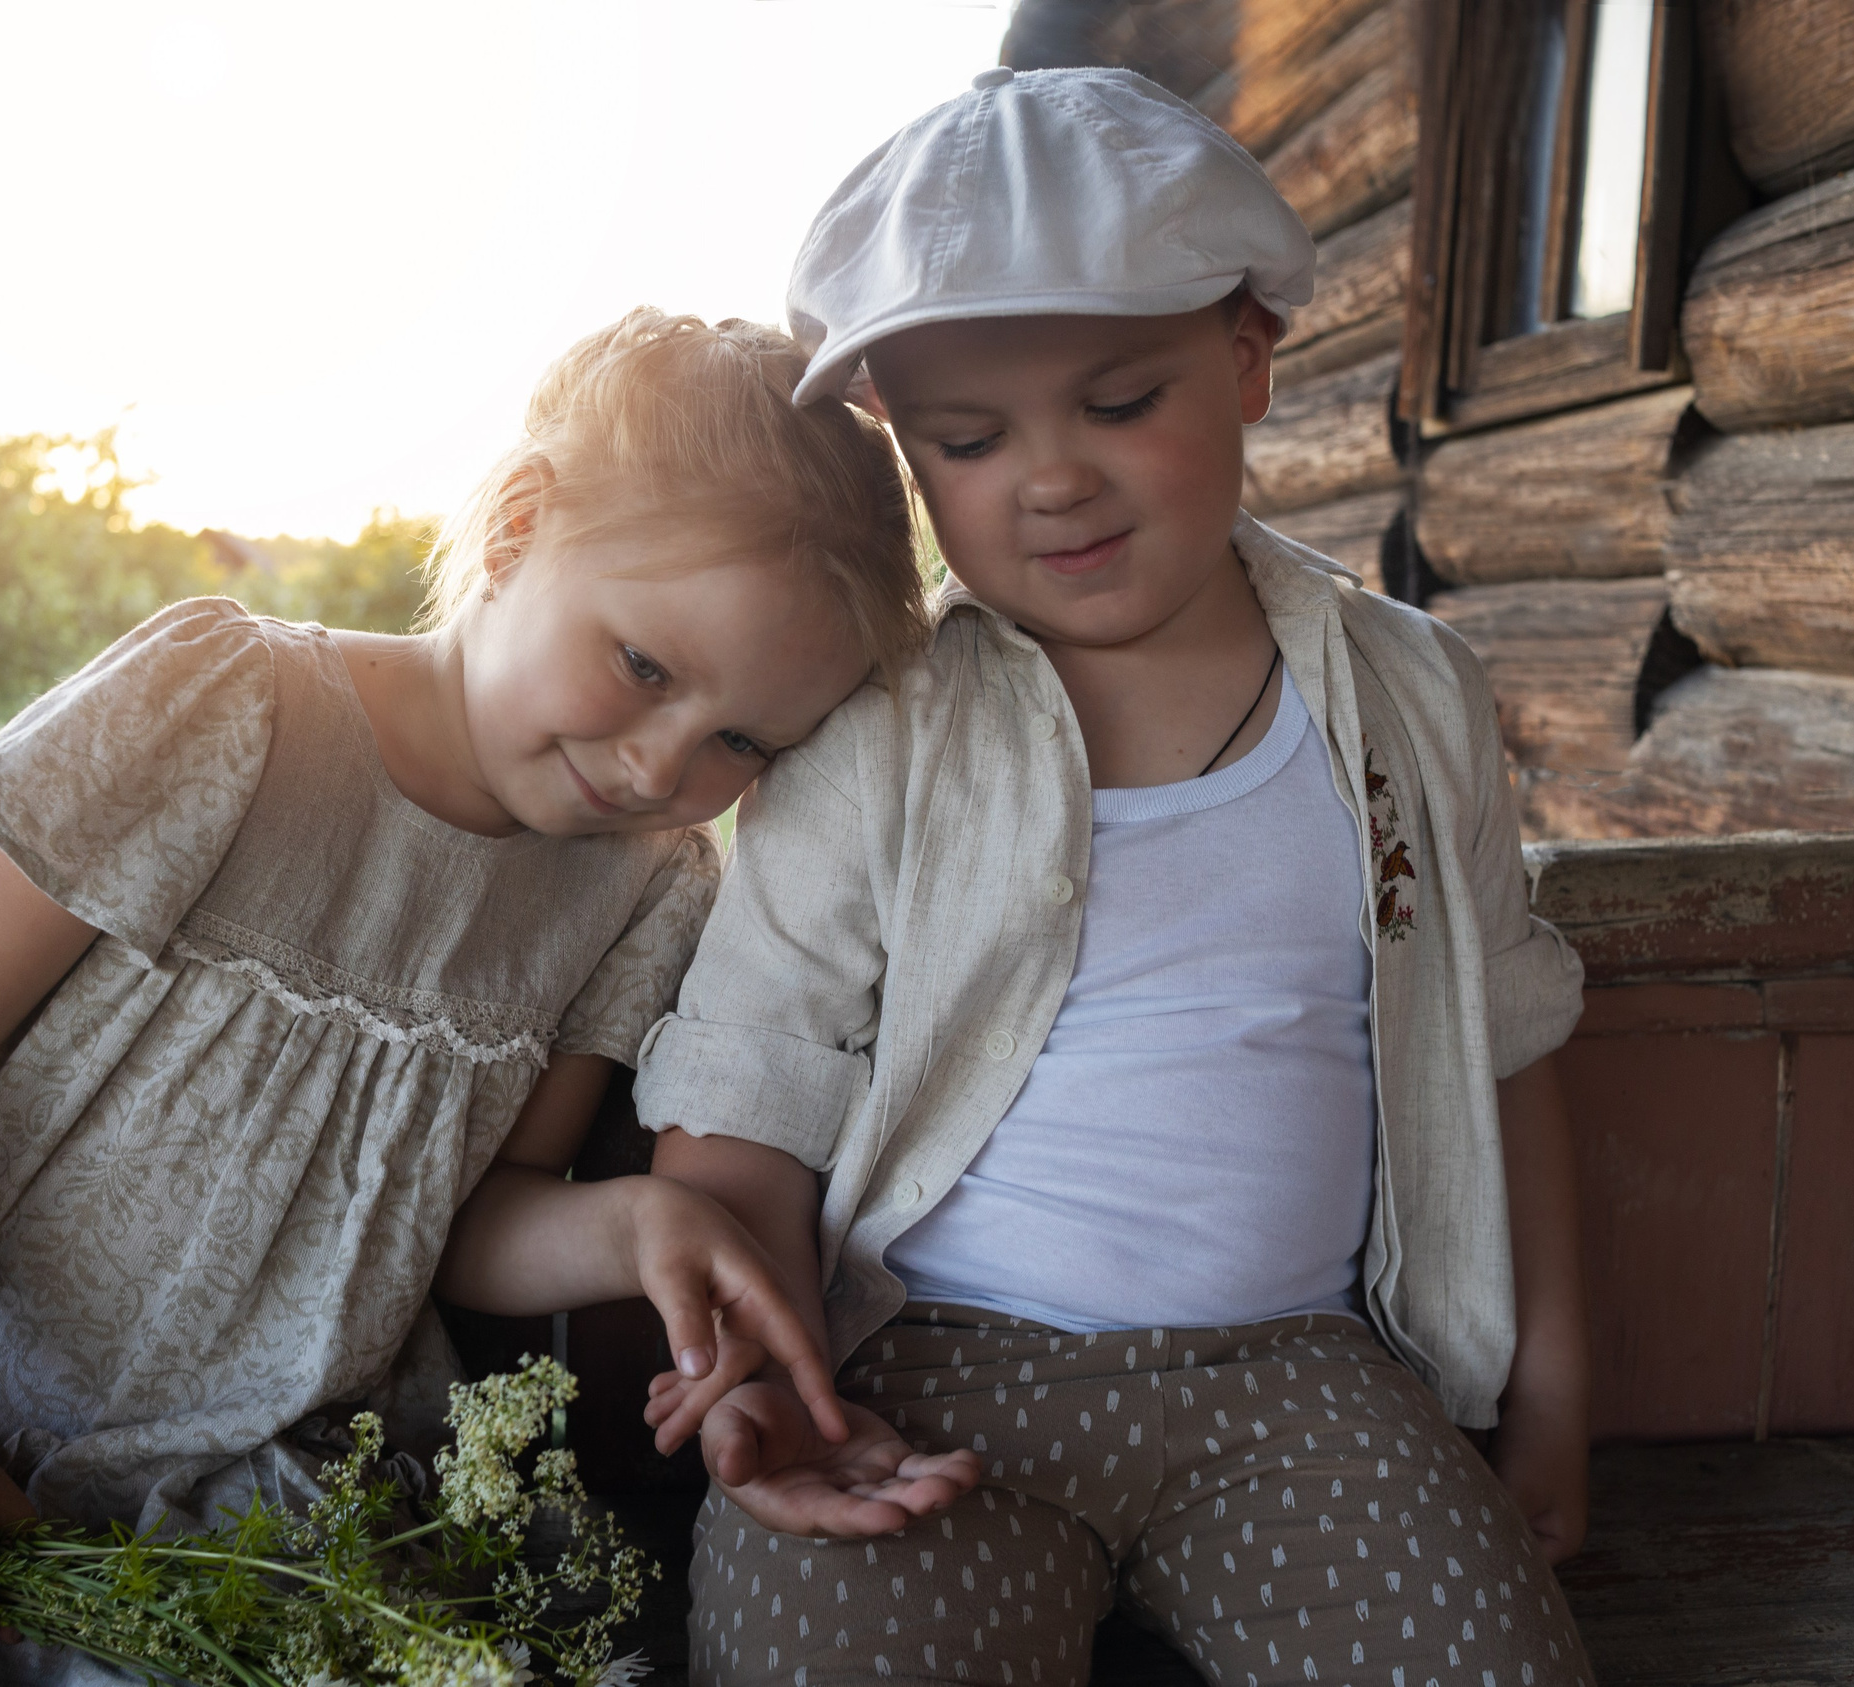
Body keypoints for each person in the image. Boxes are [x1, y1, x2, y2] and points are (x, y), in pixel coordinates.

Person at [0, 309, 925, 1687]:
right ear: (517, 529)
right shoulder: (229, 711)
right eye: (644, 664)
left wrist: (636, 1221)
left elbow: (465, 1221)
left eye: (739, 735)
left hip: (257, 1514)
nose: (666, 764)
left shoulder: (645, 888)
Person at [633, 71, 1599, 1687]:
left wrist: (1555, 1392)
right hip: (931, 1374)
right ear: (899, 443)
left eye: (1120, 401)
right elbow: (757, 1077)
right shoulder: (879, 731)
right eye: (969, 436)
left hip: (1307, 1378)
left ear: (1246, 359)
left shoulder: (1410, 698)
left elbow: (1505, 1037)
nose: (1052, 478)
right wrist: (762, 1375)